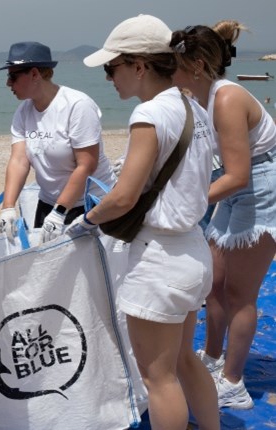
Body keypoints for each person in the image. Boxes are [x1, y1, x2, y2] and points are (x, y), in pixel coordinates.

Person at [69, 15, 220, 429]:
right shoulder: (194, 107)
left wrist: (87, 221)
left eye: (111, 68)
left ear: (138, 65)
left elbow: (124, 196)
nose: (110, 78)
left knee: (159, 377)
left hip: (159, 260)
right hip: (192, 248)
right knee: (186, 360)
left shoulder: (149, 115)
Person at [171, 21, 276, 409]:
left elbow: (239, 175)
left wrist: (186, 201)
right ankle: (213, 359)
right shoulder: (194, 96)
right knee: (212, 281)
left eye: (173, 63)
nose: (169, 71)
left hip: (261, 184)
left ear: (195, 65)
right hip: (231, 183)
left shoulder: (227, 99)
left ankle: (233, 383)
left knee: (239, 292)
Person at [0, 41, 115, 244]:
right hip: (49, 205)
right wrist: (8, 207)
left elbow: (86, 165)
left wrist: (60, 212)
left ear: (35, 74)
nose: (8, 83)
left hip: (89, 205)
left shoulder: (77, 106)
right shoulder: (24, 112)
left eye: (13, 76)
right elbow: (19, 160)